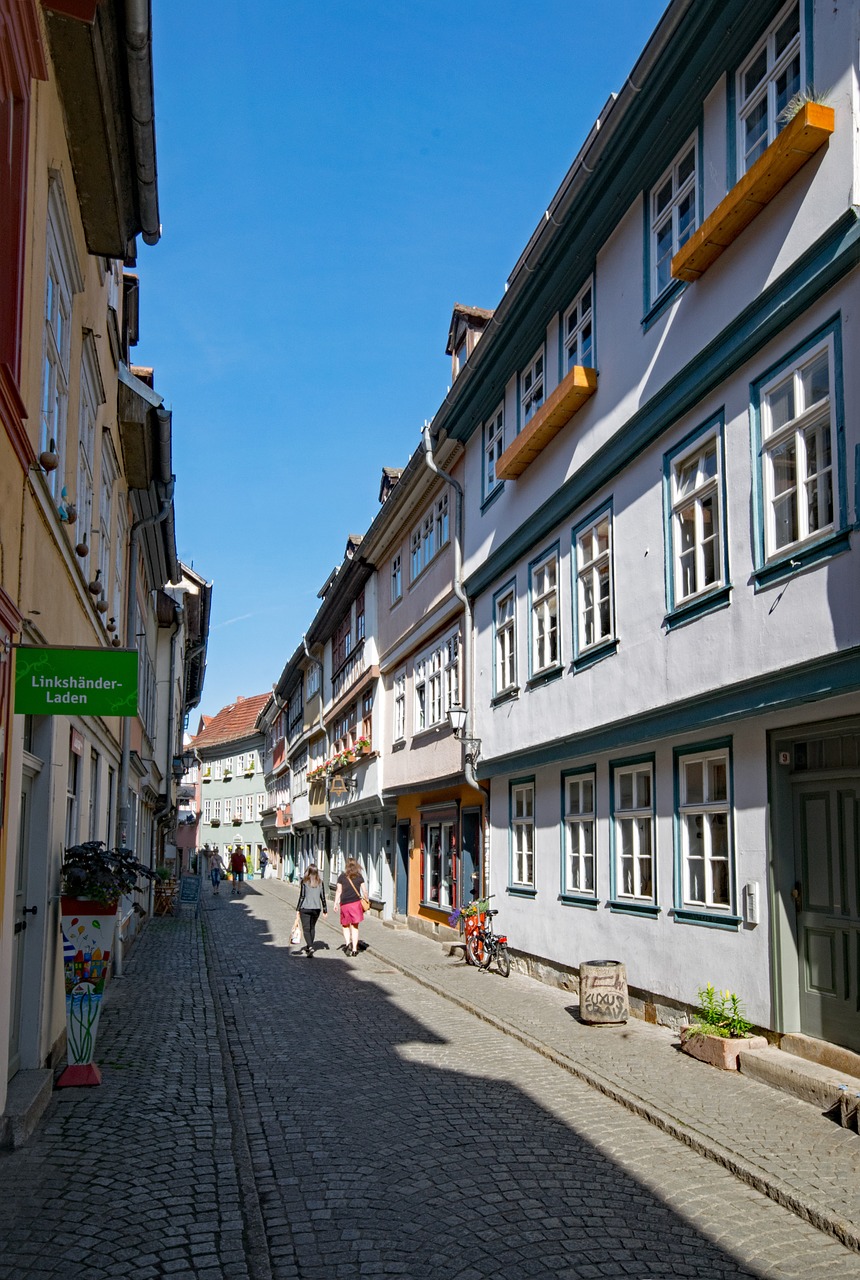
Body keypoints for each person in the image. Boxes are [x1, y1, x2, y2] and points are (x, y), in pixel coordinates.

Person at [332, 857, 367, 956]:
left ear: (346, 866)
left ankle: (348, 944)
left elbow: (339, 891)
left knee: (345, 925)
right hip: (356, 904)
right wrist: (366, 898)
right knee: (355, 926)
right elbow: (364, 890)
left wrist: (335, 903)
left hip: (345, 904)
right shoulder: (359, 877)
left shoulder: (342, 877)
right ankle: (355, 949)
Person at [293, 864, 327, 957]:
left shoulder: (304, 882)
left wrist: (297, 909)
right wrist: (325, 909)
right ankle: (309, 947)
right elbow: (323, 897)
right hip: (316, 909)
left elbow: (302, 896)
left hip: (305, 908)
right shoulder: (320, 882)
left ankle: (310, 946)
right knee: (312, 927)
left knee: (306, 929)